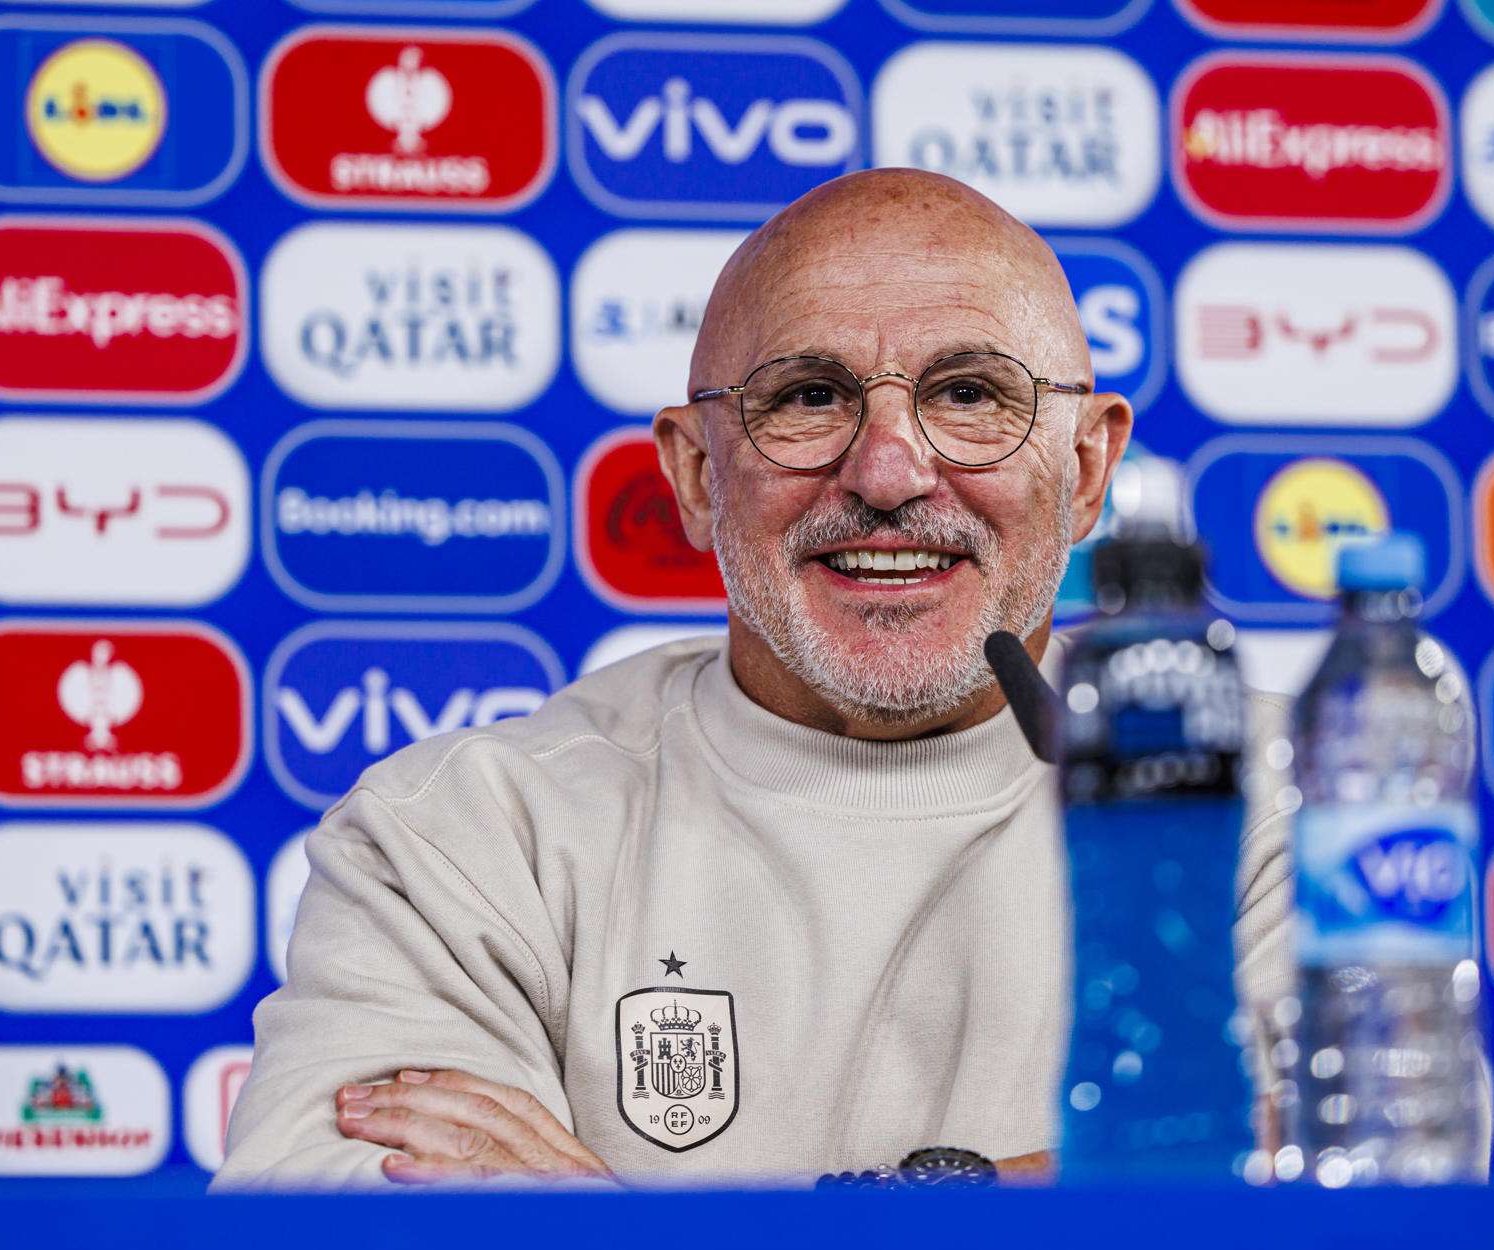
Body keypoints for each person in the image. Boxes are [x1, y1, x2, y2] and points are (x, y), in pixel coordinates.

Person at [213, 169, 1296, 1190]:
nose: (887, 473)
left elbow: (1335, 1197)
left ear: (1087, 469)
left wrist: (633, 1228)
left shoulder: (1277, 795)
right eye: (810, 397)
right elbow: (337, 1216)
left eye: (970, 394)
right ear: (693, 473)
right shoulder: (468, 831)